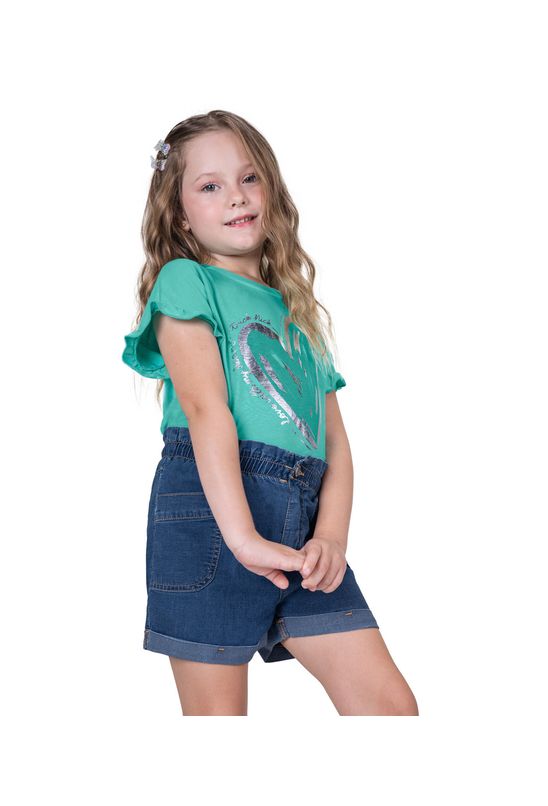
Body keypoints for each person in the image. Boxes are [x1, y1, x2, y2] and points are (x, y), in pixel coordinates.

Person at [122, 110, 418, 716]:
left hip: (302, 529)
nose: (236, 195)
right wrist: (243, 538)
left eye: (249, 178)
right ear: (180, 215)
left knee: (389, 709)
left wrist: (331, 536)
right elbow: (205, 410)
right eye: (210, 186)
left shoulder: (298, 312)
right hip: (212, 517)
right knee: (219, 726)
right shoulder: (186, 281)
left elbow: (335, 445)